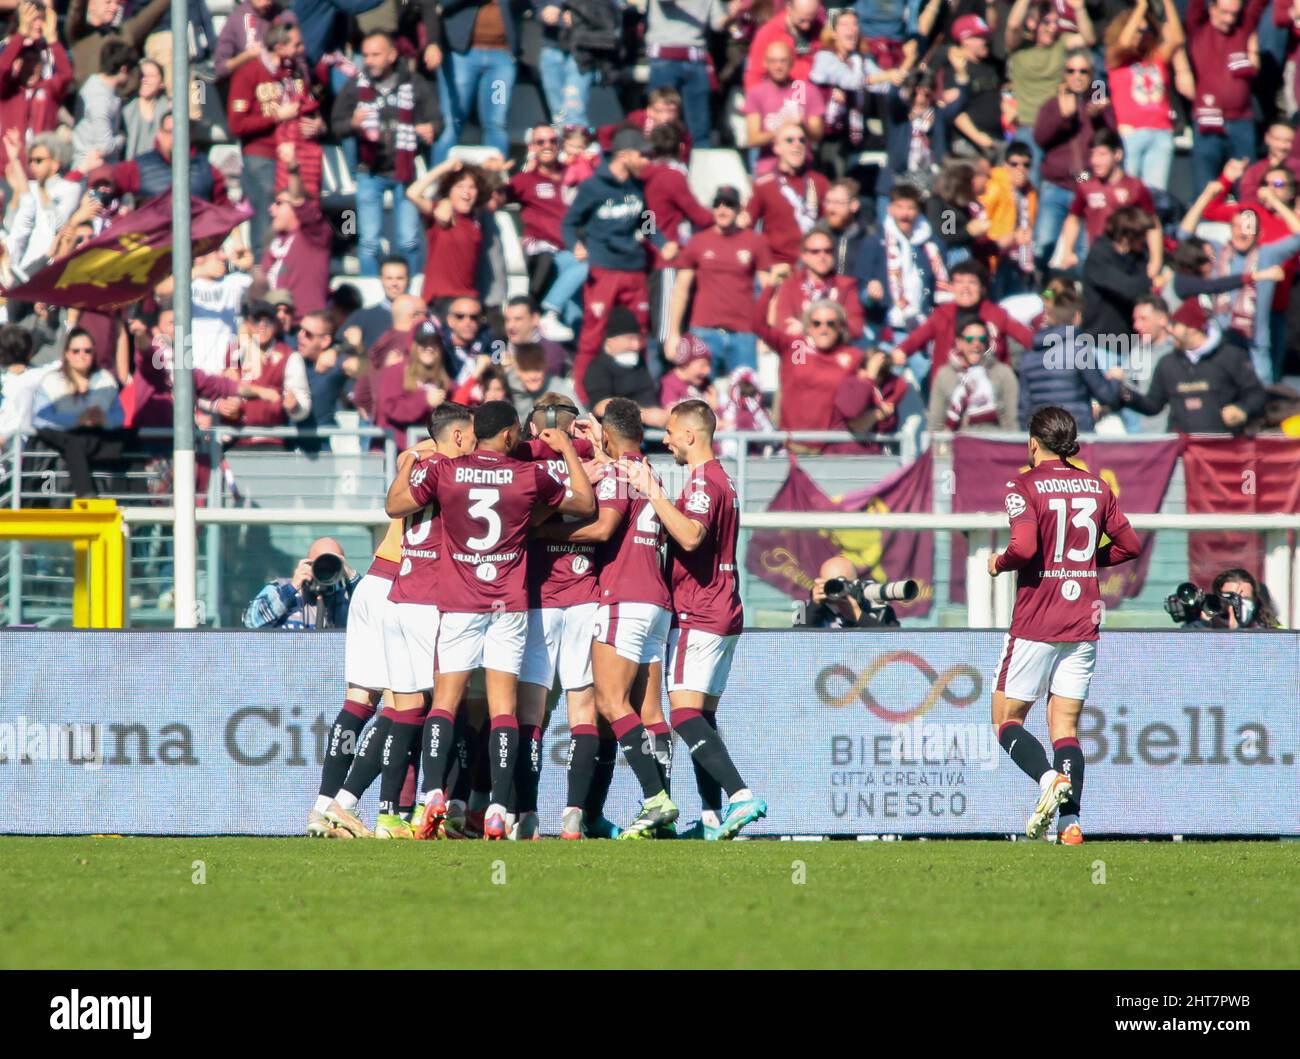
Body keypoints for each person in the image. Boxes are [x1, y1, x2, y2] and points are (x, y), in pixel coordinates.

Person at [385, 399, 594, 840]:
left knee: (445, 703)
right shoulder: (528, 476)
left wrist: (407, 464)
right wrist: (571, 453)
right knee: (503, 709)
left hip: (459, 602)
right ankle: (498, 807)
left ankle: (432, 797)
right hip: (508, 605)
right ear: (508, 435)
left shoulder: (447, 472)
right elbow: (584, 501)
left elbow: (396, 505)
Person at [323, 406, 479, 841]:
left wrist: (413, 455)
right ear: (462, 437)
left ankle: (363, 808)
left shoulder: (417, 465)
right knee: (448, 707)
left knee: (402, 709)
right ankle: (433, 808)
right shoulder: (459, 474)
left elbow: (394, 501)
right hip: (429, 599)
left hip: (397, 591)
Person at [989, 405, 1142, 845]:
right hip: (1083, 621)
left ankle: (1047, 780)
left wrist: (998, 563)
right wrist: (1083, 563)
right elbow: (1130, 545)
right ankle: (1070, 825)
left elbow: (1022, 547)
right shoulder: (1097, 486)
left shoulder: (1022, 484)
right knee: (1066, 727)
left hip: (1038, 620)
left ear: (1033, 442)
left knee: (1006, 719)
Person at [532, 396, 679, 839]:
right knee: (650, 712)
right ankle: (650, 814)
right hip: (658, 600)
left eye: (596, 428)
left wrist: (537, 530)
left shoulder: (617, 474)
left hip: (624, 596)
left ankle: (655, 800)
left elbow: (601, 529)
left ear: (609, 433)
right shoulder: (650, 474)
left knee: (609, 704)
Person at [621, 399, 767, 840]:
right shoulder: (722, 479)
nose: (665, 439)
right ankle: (709, 817)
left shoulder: (705, 482)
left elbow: (690, 534)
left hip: (699, 609)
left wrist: (653, 492)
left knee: (684, 715)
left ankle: (741, 795)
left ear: (689, 434)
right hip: (723, 608)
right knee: (702, 716)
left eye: (669, 431)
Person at [307, 516, 406, 839]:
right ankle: (348, 804)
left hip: (373, 583)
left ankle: (321, 809)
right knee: (403, 705)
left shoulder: (419, 463)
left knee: (358, 703)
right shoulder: (462, 466)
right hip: (404, 585)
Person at [564, 127, 665, 400]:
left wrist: (662, 243)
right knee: (594, 331)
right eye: (641, 155)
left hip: (634, 269)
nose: (646, 161)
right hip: (604, 269)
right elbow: (570, 223)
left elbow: (647, 220)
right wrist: (576, 244)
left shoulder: (637, 186)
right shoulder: (592, 187)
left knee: (638, 334)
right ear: (624, 155)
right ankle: (585, 397)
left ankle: (639, 396)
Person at [331, 30, 440, 276]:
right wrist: (353, 124)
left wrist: (429, 129)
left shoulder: (413, 83)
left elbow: (437, 121)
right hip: (369, 171)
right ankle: (372, 294)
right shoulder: (355, 86)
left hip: (405, 172)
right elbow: (336, 125)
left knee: (409, 240)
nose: (368, 61)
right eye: (366, 55)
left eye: (375, 55)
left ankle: (411, 293)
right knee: (368, 243)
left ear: (391, 55)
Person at [1178, 178, 1300, 385]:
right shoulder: (1216, 253)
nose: (1241, 232)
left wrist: (1275, 201)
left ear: (1259, 233)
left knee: (1262, 393)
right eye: (1236, 226)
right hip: (1220, 339)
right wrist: (1206, 196)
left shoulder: (1267, 254)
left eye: (1247, 227)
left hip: (1254, 343)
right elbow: (1184, 235)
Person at [665, 185, 774, 376]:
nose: (722, 210)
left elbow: (768, 290)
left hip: (744, 333)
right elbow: (681, 289)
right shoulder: (698, 241)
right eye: (717, 204)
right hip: (704, 332)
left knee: (746, 394)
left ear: (739, 209)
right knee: (700, 396)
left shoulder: (755, 242)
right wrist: (673, 332)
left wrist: (769, 332)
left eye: (729, 205)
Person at [1118, 297, 1266, 433]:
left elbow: (1256, 393)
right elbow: (1153, 405)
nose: (1169, 329)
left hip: (1224, 448)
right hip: (1184, 450)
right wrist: (1125, 394)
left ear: (1192, 328)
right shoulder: (1168, 363)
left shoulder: (1230, 355)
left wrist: (1242, 410)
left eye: (1175, 325)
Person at [891, 259, 1034, 386]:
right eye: (959, 282)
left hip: (991, 389)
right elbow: (917, 337)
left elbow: (1026, 336)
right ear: (951, 287)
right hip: (950, 388)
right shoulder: (942, 314)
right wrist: (901, 350)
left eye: (972, 282)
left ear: (982, 288)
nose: (965, 287)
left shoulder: (996, 314)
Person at [1105, 0, 1189, 193]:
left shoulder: (1156, 57)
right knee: (1128, 191)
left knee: (1155, 194)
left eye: (1144, 31)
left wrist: (1167, 3)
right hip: (1131, 132)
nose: (1140, 35)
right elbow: (1124, 43)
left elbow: (1177, 39)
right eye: (1136, 30)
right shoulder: (1116, 59)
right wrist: (1141, 7)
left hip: (1161, 131)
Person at [1185, 0, 1267, 190]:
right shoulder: (1199, 27)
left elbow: (1257, 5)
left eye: (1234, 14)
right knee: (1206, 184)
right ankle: (1206, 219)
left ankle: (1247, 219)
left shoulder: (1243, 28)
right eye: (1224, 13)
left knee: (1247, 185)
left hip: (1242, 121)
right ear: (1212, 9)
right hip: (1207, 120)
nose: (1229, 19)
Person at [1054, 129, 1160, 272]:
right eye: (1092, 155)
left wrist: (1155, 261)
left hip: (1129, 260)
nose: (1095, 161)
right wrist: (1067, 251)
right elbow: (1073, 219)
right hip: (1097, 258)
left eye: (1102, 155)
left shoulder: (1135, 186)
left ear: (1117, 155)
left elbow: (1153, 224)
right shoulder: (1086, 186)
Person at [1017, 287, 1122, 430]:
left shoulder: (1029, 356)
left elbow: (1024, 409)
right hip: (1077, 435)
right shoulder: (1080, 351)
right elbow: (1106, 396)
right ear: (1077, 317)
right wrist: (1116, 379)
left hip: (1043, 437)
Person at [431, 0, 521, 164]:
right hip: (461, 55)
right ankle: (438, 184)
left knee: (496, 122)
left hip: (500, 59)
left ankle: (495, 182)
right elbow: (440, 4)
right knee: (452, 122)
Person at [856, 183, 949, 341]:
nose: (905, 214)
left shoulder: (933, 244)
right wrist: (870, 295)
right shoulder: (875, 241)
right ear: (890, 209)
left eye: (910, 208)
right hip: (887, 328)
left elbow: (941, 285)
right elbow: (860, 287)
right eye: (900, 207)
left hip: (924, 327)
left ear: (918, 210)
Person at [756, 298, 863, 435]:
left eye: (830, 324)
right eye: (817, 323)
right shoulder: (797, 347)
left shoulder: (852, 356)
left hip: (831, 445)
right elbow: (758, 326)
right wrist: (771, 286)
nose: (823, 329)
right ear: (808, 327)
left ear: (840, 327)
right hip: (792, 442)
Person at [255, 142, 332, 317]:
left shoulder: (315, 234)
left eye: (278, 203)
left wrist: (293, 169)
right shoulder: (274, 240)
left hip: (303, 326)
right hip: (275, 325)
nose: (271, 209)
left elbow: (298, 199)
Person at [407, 159, 493, 311]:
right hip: (441, 299)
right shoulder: (440, 210)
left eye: (472, 187)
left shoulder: (476, 218)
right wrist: (445, 166)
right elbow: (412, 193)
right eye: (460, 186)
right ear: (449, 191)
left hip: (468, 298)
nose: (466, 191)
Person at [743, 120, 830, 266]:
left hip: (814, 266)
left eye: (802, 140)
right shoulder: (764, 185)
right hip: (778, 266)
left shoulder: (820, 182)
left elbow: (832, 226)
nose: (797, 144)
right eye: (789, 140)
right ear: (777, 147)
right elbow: (746, 227)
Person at [646, 0, 725, 146]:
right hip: (665, 57)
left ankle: (700, 165)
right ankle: (656, 163)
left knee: (700, 129)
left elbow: (718, 23)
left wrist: (734, 12)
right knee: (660, 122)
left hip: (696, 59)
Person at [744, 39, 826, 174]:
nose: (778, 66)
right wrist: (782, 128)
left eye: (783, 61)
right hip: (768, 169)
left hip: (803, 167)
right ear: (765, 63)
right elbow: (753, 139)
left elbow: (818, 134)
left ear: (792, 62)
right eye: (773, 61)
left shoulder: (808, 91)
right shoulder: (756, 94)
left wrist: (803, 125)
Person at [243, 536, 362, 629]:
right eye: (320, 564)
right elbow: (250, 621)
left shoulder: (349, 598)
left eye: (331, 565)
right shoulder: (280, 589)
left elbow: (377, 616)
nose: (325, 570)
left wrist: (352, 577)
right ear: (307, 564)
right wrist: (292, 588)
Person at [926, 318, 1020, 433]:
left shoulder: (1002, 373)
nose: (976, 344)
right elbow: (935, 424)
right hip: (958, 443)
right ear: (959, 342)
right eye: (970, 339)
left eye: (981, 339)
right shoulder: (945, 375)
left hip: (994, 442)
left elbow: (1012, 422)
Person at [583, 305, 669, 426]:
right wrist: (644, 415)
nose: (636, 345)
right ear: (610, 340)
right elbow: (601, 407)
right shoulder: (598, 368)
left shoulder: (639, 364)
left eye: (638, 339)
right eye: (630, 339)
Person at [375, 320, 452, 448]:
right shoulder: (395, 371)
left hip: (429, 453)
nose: (429, 348)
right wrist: (424, 400)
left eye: (434, 343)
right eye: (423, 343)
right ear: (413, 345)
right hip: (396, 451)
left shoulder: (443, 377)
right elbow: (390, 408)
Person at [800, 554, 900, 628]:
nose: (835, 590)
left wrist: (858, 616)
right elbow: (795, 645)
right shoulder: (808, 609)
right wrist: (814, 606)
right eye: (830, 584)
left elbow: (897, 646)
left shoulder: (877, 609)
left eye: (841, 584)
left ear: (855, 584)